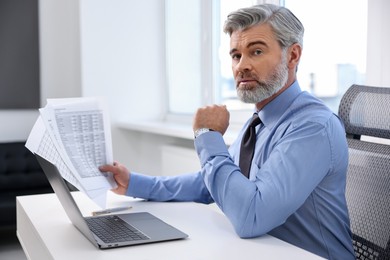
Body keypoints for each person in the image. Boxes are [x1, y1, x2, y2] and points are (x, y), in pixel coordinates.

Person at [100, 4, 355, 259]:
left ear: (292, 55)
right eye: (236, 55)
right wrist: (135, 183)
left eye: (256, 51)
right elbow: (211, 183)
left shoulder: (313, 126)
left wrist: (207, 135)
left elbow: (251, 217)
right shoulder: (259, 121)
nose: (241, 66)